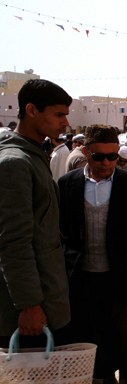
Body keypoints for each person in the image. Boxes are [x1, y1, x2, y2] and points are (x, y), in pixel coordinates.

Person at [58, 124, 127, 384]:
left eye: (113, 157)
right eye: (100, 156)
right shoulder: (69, 184)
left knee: (125, 334)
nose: (107, 163)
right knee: (90, 331)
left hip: (122, 273)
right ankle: (102, 381)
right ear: (86, 153)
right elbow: (62, 231)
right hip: (83, 275)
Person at [0, 79, 72, 348]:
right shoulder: (15, 163)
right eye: (58, 114)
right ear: (31, 110)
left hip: (46, 295)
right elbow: (14, 242)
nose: (65, 122)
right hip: (29, 311)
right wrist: (28, 304)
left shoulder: (32, 155)